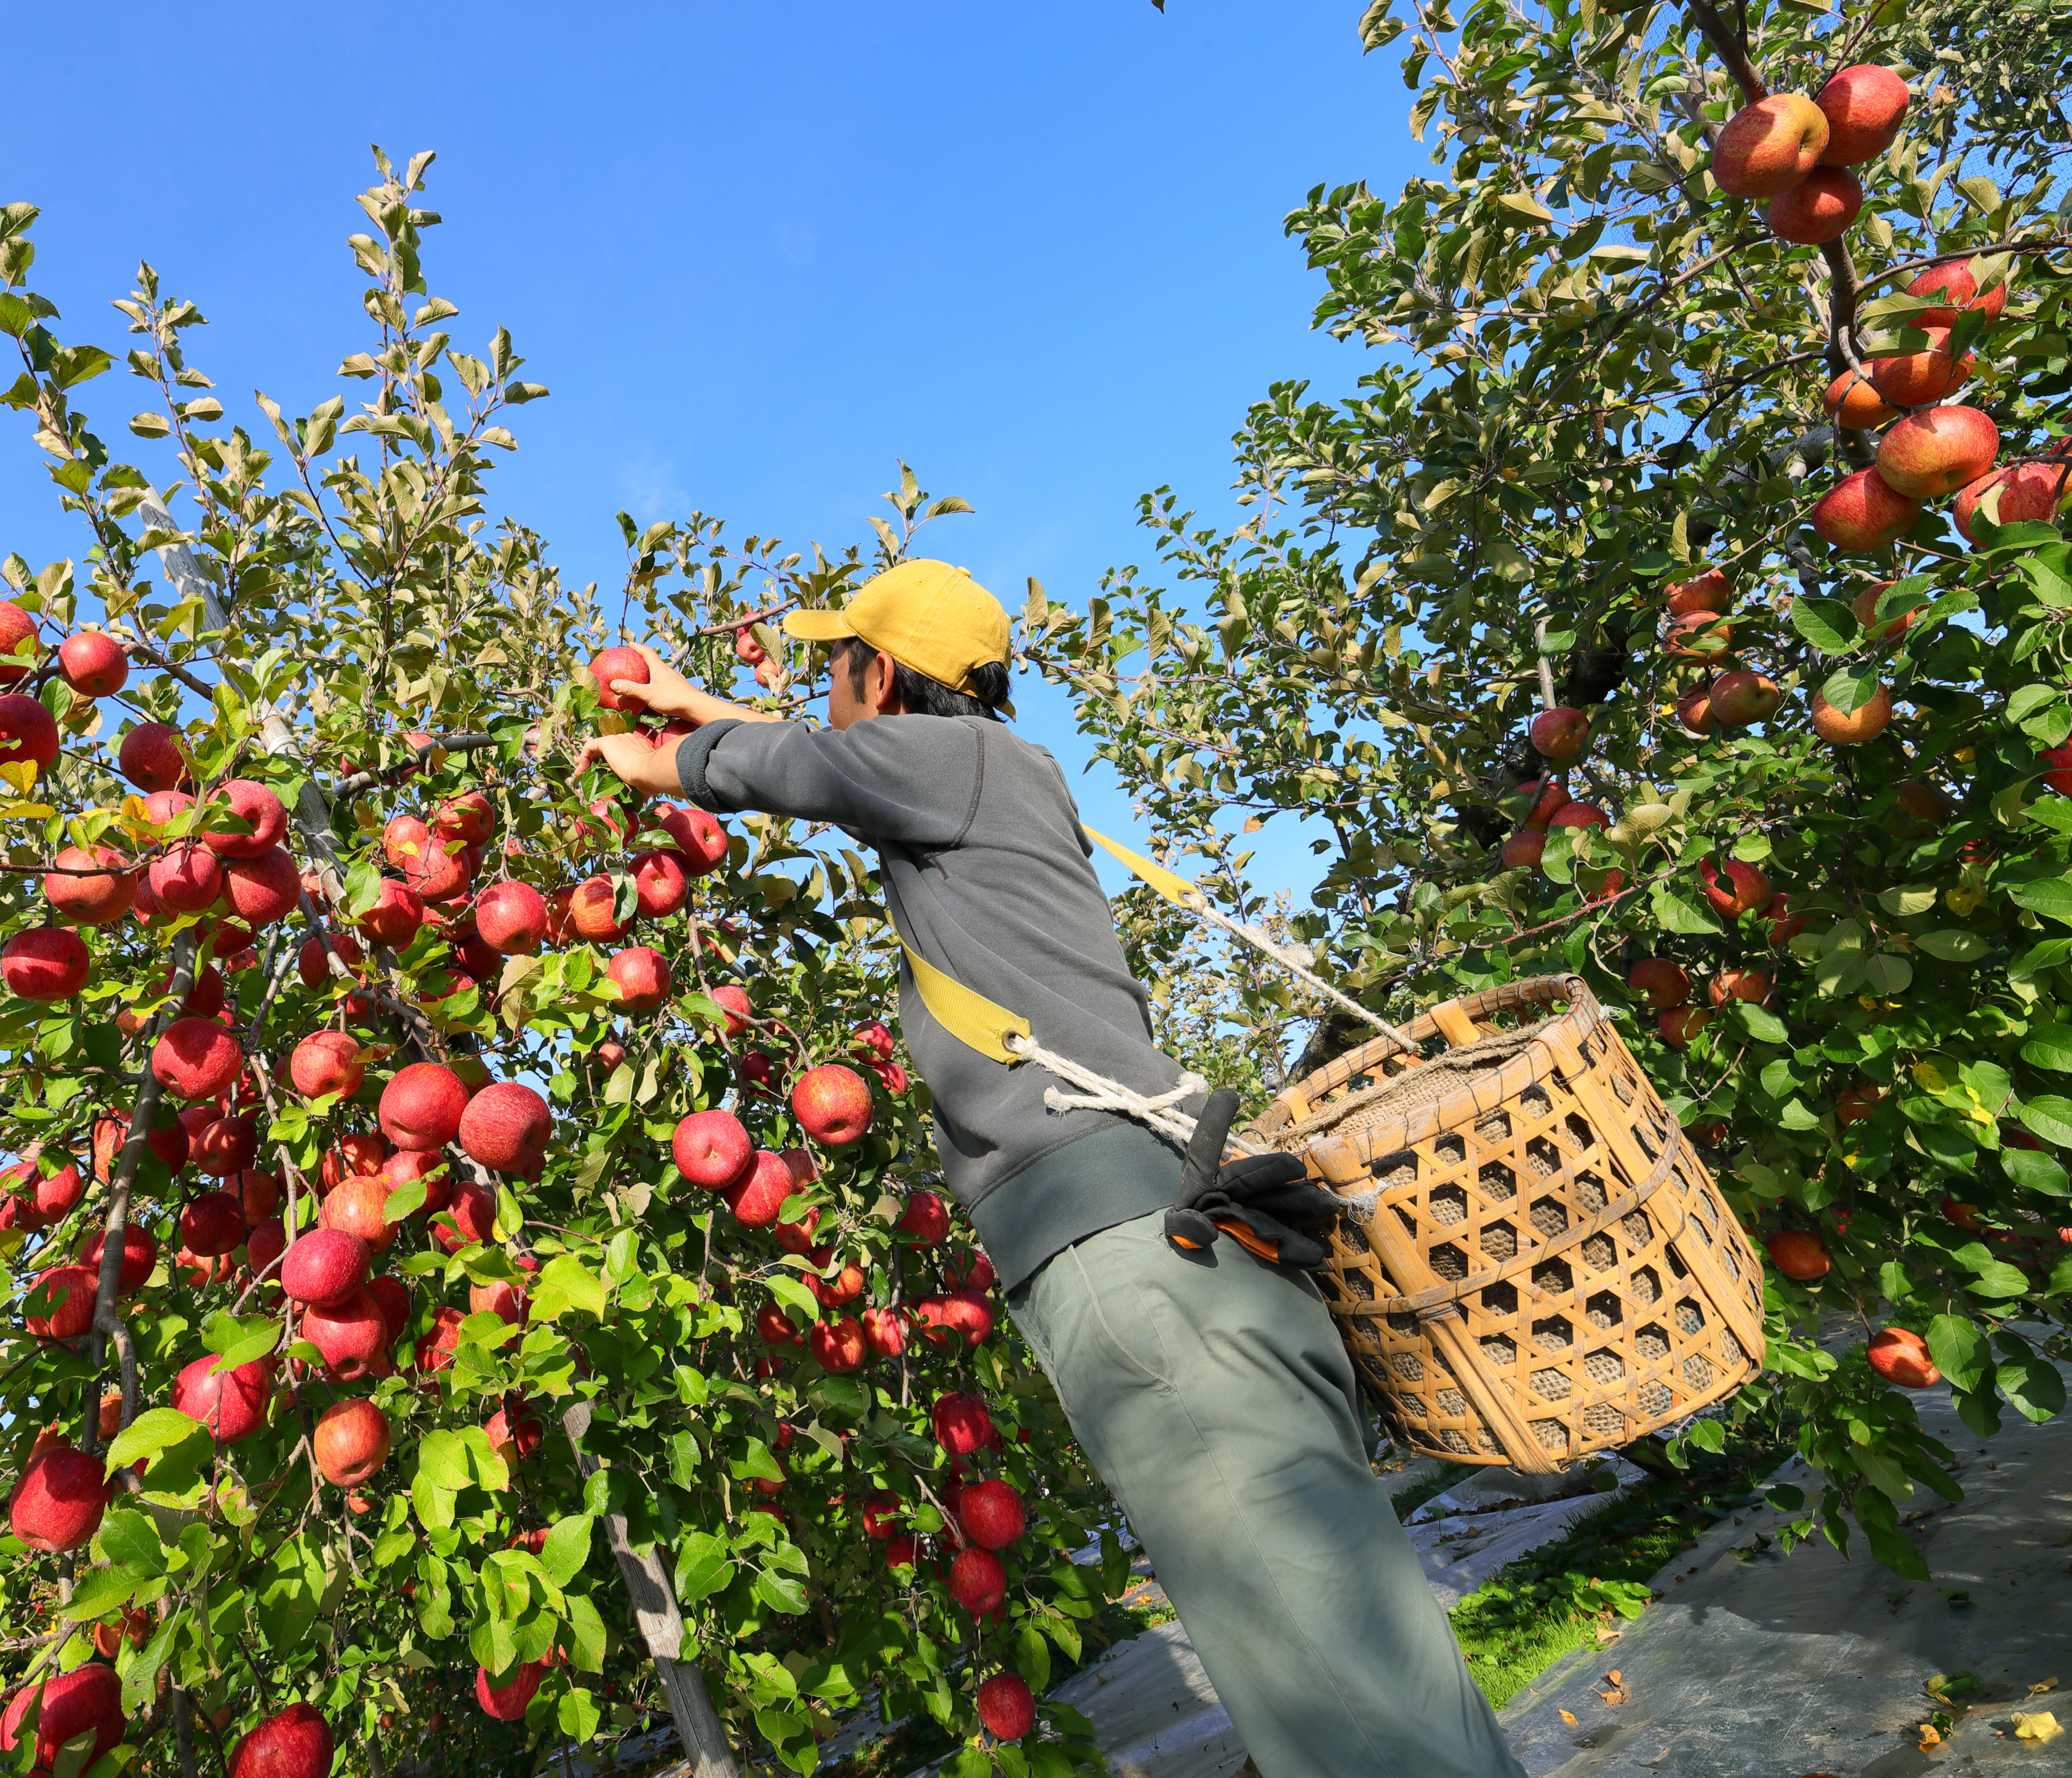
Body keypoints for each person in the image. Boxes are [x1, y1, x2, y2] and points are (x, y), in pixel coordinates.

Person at [579, 558, 1523, 1778]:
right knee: (1371, 1673)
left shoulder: (952, 760)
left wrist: (662, 761)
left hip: (1132, 1267)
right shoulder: (985, 776)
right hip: (1178, 1245)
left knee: (1346, 1713)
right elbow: (817, 747)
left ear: (883, 676)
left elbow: (801, 764)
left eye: (835, 662)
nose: (823, 684)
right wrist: (697, 698)